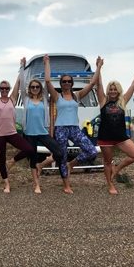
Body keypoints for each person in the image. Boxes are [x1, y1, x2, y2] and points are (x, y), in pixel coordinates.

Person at [35, 55, 98, 194]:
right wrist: (47, 63)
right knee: (62, 157)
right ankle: (66, 185)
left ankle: (72, 164)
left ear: (72, 83)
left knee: (92, 151)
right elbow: (47, 80)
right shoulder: (57, 96)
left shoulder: (77, 95)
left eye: (69, 81)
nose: (67, 83)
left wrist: (99, 67)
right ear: (61, 83)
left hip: (74, 128)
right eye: (64, 81)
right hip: (61, 129)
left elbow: (92, 84)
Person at [95, 56, 134, 195]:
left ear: (119, 90)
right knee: (108, 162)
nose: (112, 91)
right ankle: (110, 184)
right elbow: (99, 84)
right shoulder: (103, 101)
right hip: (105, 137)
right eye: (111, 89)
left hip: (121, 137)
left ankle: (118, 168)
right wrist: (99, 67)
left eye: (115, 89)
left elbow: (133, 86)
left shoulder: (122, 101)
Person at [19, 56, 64, 194]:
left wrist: (47, 63)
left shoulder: (44, 99)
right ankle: (36, 185)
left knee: (59, 152)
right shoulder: (26, 99)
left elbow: (47, 80)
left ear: (40, 89)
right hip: (29, 133)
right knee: (32, 159)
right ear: (29, 89)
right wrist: (22, 66)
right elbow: (22, 82)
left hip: (43, 132)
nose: (35, 88)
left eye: (37, 87)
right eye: (32, 87)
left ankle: (42, 165)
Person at [0, 59, 34, 193]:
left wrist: (22, 66)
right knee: (1, 160)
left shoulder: (12, 99)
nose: (4, 90)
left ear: (9, 90)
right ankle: (6, 184)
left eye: (6, 88)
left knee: (29, 149)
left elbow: (18, 82)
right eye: (2, 88)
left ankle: (12, 161)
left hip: (12, 133)